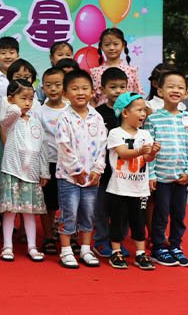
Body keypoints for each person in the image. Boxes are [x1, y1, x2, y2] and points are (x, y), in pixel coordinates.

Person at [144, 70, 188, 268]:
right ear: (160, 91)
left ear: (185, 93)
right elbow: (149, 150)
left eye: (180, 87)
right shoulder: (153, 119)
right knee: (160, 214)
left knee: (179, 214)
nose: (175, 90)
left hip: (181, 178)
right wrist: (151, 175)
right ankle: (158, 247)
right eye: (170, 86)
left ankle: (176, 245)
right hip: (161, 178)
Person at [55, 69, 108, 269]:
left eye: (85, 88)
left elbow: (102, 145)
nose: (80, 92)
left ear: (92, 92)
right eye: (75, 89)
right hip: (69, 177)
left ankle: (85, 249)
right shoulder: (64, 117)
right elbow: (64, 145)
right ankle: (66, 250)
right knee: (69, 213)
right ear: (65, 94)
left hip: (91, 178)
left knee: (88, 213)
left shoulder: (97, 117)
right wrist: (77, 170)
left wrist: (98, 169)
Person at [0, 80, 49, 262]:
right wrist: (13, 105)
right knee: (10, 211)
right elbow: (8, 117)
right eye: (23, 98)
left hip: (31, 173)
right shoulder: (10, 119)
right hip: (13, 170)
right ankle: (7, 246)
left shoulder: (35, 121)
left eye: (31, 99)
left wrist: (44, 171)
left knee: (29, 212)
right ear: (11, 99)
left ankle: (32, 247)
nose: (27, 103)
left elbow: (42, 146)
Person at [106, 92, 159, 270]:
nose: (143, 114)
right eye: (139, 110)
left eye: (144, 110)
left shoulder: (145, 134)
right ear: (125, 113)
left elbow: (148, 159)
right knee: (118, 221)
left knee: (139, 222)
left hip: (140, 189)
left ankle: (140, 253)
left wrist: (153, 152)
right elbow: (123, 153)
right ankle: (116, 251)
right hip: (119, 188)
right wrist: (140, 151)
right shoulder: (115, 133)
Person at [92, 67, 129, 258]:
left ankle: (118, 241)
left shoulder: (131, 113)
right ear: (102, 89)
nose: (118, 91)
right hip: (104, 170)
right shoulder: (96, 114)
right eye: (113, 87)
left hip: (126, 171)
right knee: (101, 208)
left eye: (122, 87)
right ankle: (101, 240)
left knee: (123, 209)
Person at [38, 67, 67, 255]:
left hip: (68, 163)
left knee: (68, 203)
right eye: (49, 85)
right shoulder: (39, 111)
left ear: (65, 87)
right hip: (47, 163)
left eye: (58, 85)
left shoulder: (71, 110)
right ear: (43, 88)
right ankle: (48, 236)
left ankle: (69, 236)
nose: (53, 89)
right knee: (47, 203)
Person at [90, 28, 143, 106]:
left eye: (116, 44)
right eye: (107, 45)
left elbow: (137, 96)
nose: (111, 48)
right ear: (101, 46)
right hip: (102, 112)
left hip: (126, 111)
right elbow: (93, 99)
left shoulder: (131, 71)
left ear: (123, 45)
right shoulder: (95, 73)